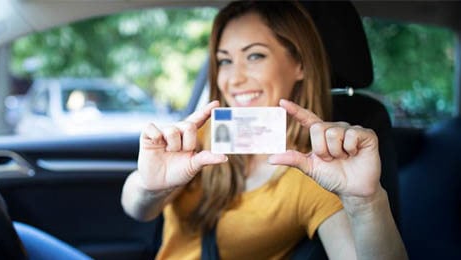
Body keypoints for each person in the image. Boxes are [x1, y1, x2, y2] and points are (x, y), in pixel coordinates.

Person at [120, 1, 407, 259]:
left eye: (255, 56)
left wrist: (366, 203)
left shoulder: (316, 170)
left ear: (300, 65)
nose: (234, 78)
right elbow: (137, 209)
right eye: (225, 60)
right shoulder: (204, 133)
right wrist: (151, 186)